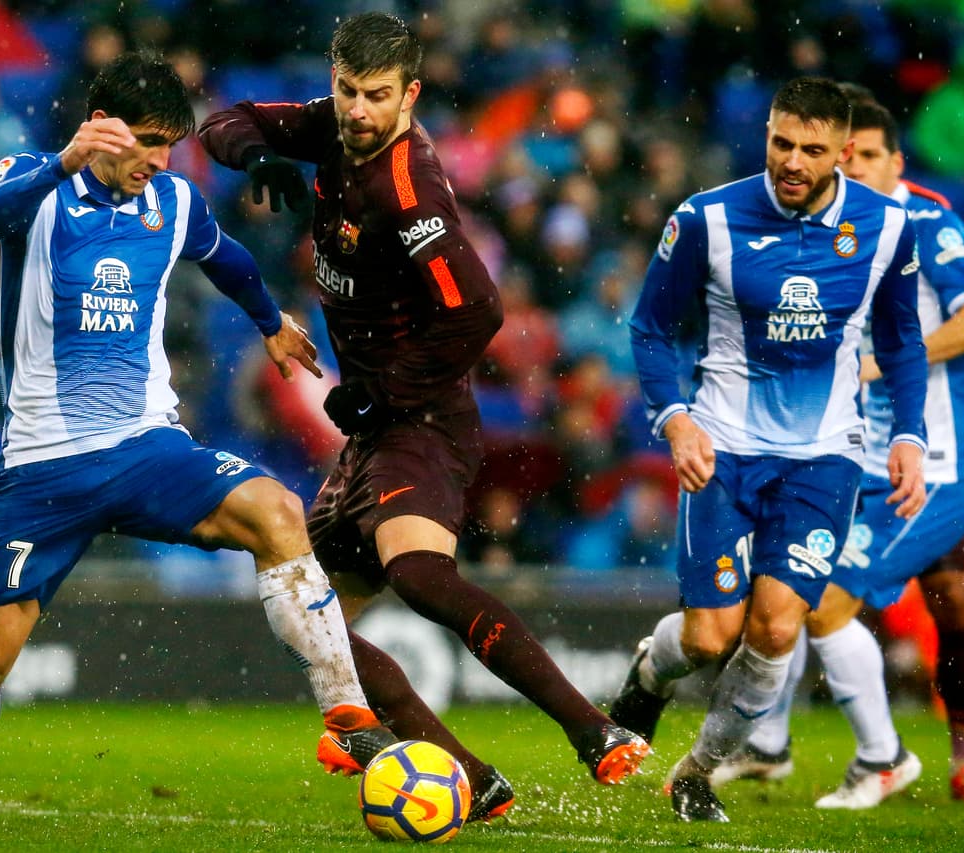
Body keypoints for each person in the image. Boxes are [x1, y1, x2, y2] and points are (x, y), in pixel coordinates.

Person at [0, 51, 395, 832]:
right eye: (150, 142)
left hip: (146, 447)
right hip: (45, 469)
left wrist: (270, 322)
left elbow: (226, 258)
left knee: (277, 512)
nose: (161, 161)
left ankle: (348, 718)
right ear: (103, 126)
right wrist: (63, 162)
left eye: (171, 145)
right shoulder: (34, 181)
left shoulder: (174, 202)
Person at [198, 12, 649, 822]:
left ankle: (594, 729)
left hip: (423, 419)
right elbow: (222, 122)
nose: (358, 109)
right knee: (305, 616)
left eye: (377, 95)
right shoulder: (332, 126)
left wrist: (387, 393)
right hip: (372, 428)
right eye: (347, 90)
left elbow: (477, 311)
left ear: (410, 94)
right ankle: (469, 776)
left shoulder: (408, 192)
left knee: (418, 575)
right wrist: (258, 156)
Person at [609, 77, 928, 822]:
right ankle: (650, 672)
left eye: (812, 150)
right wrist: (676, 420)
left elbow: (902, 340)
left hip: (825, 457)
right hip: (723, 449)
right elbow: (649, 328)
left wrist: (909, 436)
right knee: (708, 638)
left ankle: (697, 772)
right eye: (781, 143)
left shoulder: (887, 226)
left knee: (779, 626)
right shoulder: (707, 218)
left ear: (842, 152)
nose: (792, 161)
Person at [709, 95, 964, 808]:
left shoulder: (927, 221)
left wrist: (891, 363)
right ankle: (770, 744)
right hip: (858, 461)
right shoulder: (827, 229)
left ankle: (896, 759)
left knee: (851, 604)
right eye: (854, 157)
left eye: (874, 156)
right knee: (787, 589)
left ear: (897, 162)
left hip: (936, 469)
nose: (861, 168)